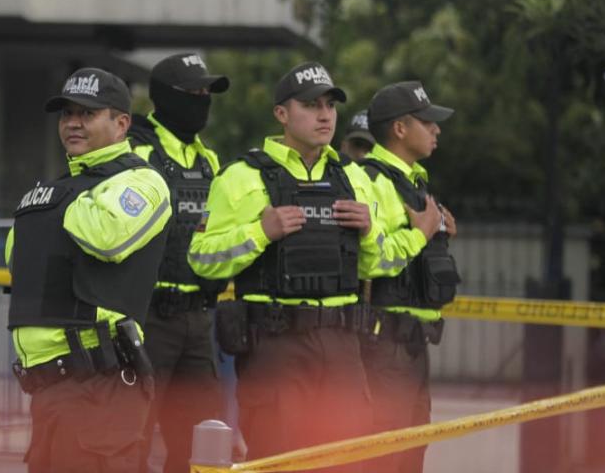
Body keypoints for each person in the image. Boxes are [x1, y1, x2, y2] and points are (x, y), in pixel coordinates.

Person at [188, 61, 418, 471]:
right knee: (279, 462)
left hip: (344, 345)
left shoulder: (354, 177)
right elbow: (202, 261)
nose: (325, 114)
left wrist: (368, 231)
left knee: (349, 462)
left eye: (330, 105)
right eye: (311, 105)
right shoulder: (240, 177)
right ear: (281, 114)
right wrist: (260, 232)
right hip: (275, 346)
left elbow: (382, 263)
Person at [6, 67, 173, 473]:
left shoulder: (141, 181)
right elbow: (16, 259)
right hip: (50, 392)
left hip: (101, 387)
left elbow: (106, 236)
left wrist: (61, 198)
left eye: (87, 113)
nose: (73, 123)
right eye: (67, 114)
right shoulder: (63, 188)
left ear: (121, 124)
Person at [127, 53, 229, 473]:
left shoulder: (210, 161)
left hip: (199, 321)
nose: (203, 100)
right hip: (147, 318)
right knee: (131, 437)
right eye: (194, 92)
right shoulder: (136, 149)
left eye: (208, 92)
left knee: (201, 441)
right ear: (166, 97)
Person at [359, 81, 459, 473]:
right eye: (427, 122)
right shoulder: (371, 180)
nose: (436, 130)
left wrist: (439, 232)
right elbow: (371, 259)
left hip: (413, 344)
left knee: (411, 456)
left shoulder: (415, 181)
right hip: (385, 345)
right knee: (385, 457)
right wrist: (420, 233)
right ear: (400, 128)